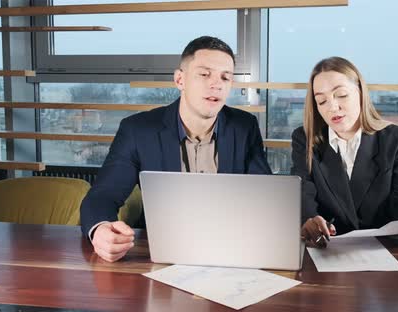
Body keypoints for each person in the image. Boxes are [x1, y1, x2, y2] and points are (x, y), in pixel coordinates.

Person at [81, 36, 272, 262]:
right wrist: (101, 230)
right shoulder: (139, 130)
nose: (216, 84)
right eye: (204, 74)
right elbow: (102, 195)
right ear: (180, 80)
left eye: (225, 77)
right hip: (161, 252)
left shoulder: (244, 126)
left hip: (230, 250)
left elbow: (265, 197)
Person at [291, 56, 398, 248]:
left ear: (360, 93)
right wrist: (309, 219)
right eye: (322, 101)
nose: (333, 107)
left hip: (384, 249)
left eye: (341, 95)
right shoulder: (305, 139)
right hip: (327, 248)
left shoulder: (394, 139)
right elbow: (302, 193)